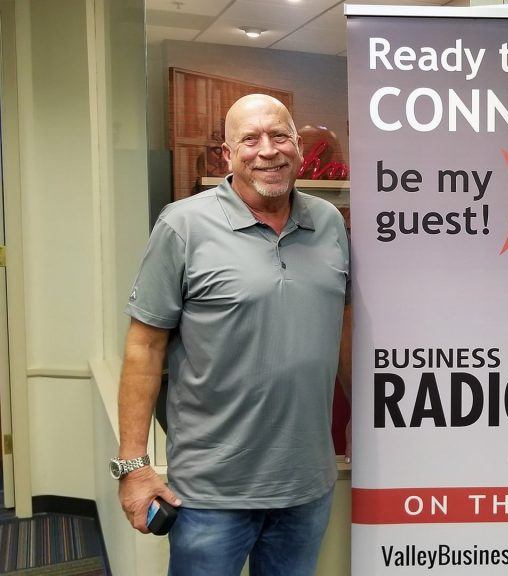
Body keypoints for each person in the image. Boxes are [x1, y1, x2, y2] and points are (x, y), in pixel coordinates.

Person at [113, 94, 350, 575]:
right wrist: (133, 467)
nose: (268, 150)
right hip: (209, 494)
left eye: (280, 136)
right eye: (250, 139)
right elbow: (144, 346)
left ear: (299, 148)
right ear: (228, 153)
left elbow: (343, 331)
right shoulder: (183, 226)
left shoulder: (329, 223)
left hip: (306, 487)